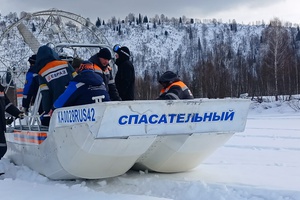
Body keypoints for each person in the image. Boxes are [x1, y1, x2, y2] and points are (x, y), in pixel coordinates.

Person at [35, 45, 77, 125]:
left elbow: (45, 94)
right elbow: (77, 80)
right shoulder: (66, 64)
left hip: (58, 106)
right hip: (74, 102)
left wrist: (47, 111)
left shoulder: (42, 73)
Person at [0, 83, 24, 159]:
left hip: (0, 124)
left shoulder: (1, 90)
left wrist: (17, 113)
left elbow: (7, 105)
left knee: (2, 148)